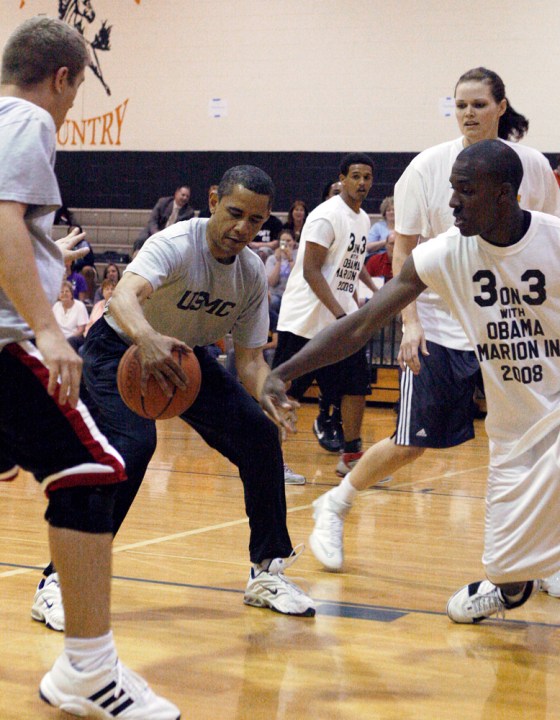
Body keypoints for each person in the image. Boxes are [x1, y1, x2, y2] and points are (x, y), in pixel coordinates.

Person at [265, 139, 560, 623]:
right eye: (452, 190)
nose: (451, 204)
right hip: (513, 432)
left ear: (505, 194)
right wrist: (283, 372)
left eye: (466, 191)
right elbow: (360, 325)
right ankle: (509, 584)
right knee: (507, 575)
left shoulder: (553, 240)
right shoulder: (445, 253)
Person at [40, 165, 314, 628]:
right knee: (131, 448)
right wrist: (146, 338)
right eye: (234, 213)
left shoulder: (249, 273)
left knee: (259, 437)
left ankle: (267, 571)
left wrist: (267, 388)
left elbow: (248, 361)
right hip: (121, 349)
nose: (242, 228)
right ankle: (59, 580)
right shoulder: (175, 244)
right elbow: (125, 296)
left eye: (255, 221)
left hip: (184, 356)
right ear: (212, 201)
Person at [0, 16, 179, 719]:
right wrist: (48, 327)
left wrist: (52, 262)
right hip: (9, 340)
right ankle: (86, 670)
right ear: (65, 76)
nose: (70, 108)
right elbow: (2, 219)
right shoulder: (25, 120)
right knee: (92, 473)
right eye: (74, 94)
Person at [273, 153, 378, 477]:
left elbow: (348, 265)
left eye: (367, 177)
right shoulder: (326, 216)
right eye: (356, 176)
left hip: (340, 320)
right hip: (306, 318)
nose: (362, 183)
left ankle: (351, 457)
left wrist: (368, 294)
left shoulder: (362, 220)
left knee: (356, 386)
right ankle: (269, 461)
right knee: (285, 391)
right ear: (342, 179)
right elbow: (311, 271)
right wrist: (338, 312)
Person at [265, 228, 298, 314]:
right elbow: (271, 282)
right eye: (283, 241)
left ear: (294, 242)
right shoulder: (272, 259)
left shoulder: (299, 256)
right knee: (273, 302)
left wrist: (290, 259)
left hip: (293, 293)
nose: (286, 243)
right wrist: (278, 261)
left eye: (289, 240)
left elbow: (298, 279)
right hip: (276, 293)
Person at [52, 280, 89, 350]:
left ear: (72, 294)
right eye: (62, 292)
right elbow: (52, 326)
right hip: (59, 337)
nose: (64, 294)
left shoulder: (80, 306)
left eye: (67, 291)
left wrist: (66, 340)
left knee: (70, 342)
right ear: (59, 296)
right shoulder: (56, 306)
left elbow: (81, 330)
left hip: (74, 338)